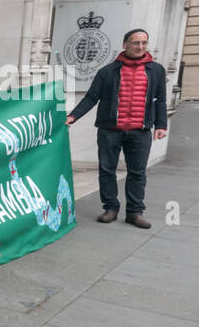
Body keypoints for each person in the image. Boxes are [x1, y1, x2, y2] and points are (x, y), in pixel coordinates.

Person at [65, 28, 168, 229]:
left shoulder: (156, 70)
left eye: (144, 43)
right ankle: (110, 208)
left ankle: (135, 212)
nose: (140, 47)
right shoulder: (107, 72)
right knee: (106, 170)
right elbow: (91, 97)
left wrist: (161, 125)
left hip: (140, 130)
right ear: (125, 45)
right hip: (110, 130)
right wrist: (73, 116)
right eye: (136, 43)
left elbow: (161, 100)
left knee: (137, 172)